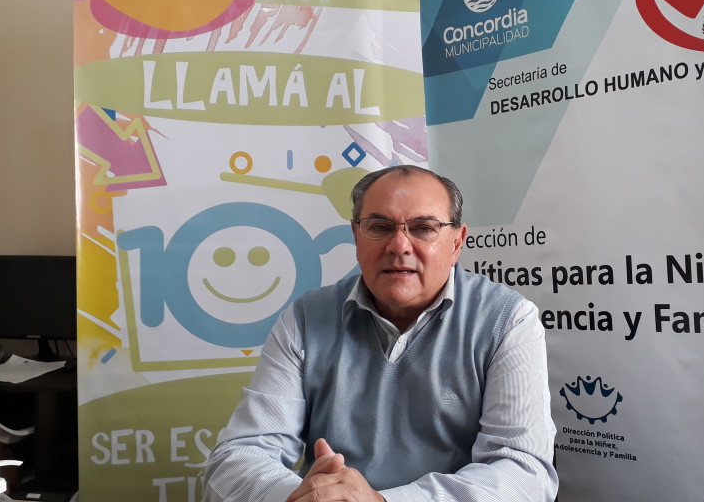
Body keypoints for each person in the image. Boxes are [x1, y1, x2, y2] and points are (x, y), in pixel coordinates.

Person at [203, 165, 558, 502]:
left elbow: (525, 474)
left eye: (423, 228)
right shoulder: (306, 319)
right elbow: (238, 457)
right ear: (356, 235)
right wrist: (305, 496)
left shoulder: (507, 320)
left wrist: (381, 500)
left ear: (456, 242)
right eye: (380, 227)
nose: (399, 246)